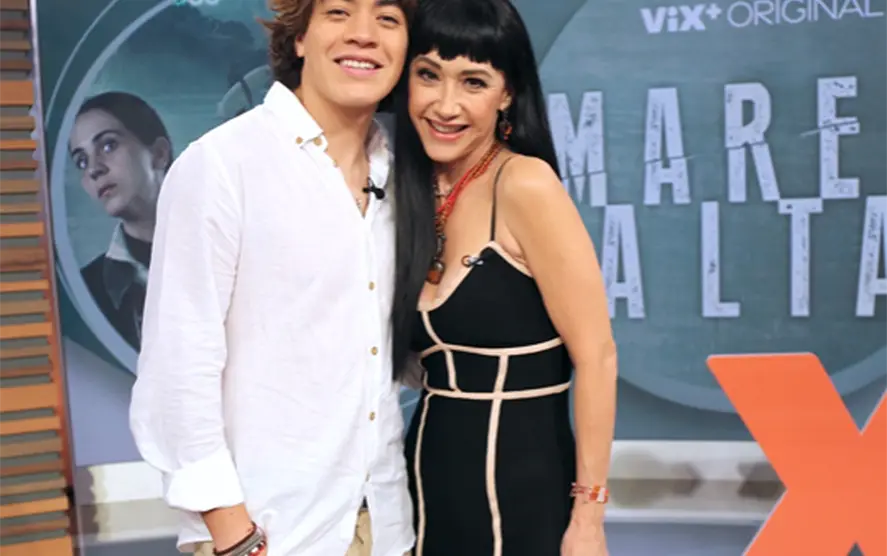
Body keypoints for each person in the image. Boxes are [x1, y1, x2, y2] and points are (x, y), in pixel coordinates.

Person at [129, 0, 417, 554]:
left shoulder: (401, 175)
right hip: (268, 534)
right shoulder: (222, 165)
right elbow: (178, 367)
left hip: (384, 524)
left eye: (387, 19)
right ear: (299, 37)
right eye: (339, 12)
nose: (364, 34)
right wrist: (232, 534)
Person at [391, 0, 618, 554]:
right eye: (428, 75)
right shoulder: (407, 189)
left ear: (508, 93)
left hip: (524, 491)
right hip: (423, 486)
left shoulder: (525, 184)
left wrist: (588, 518)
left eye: (473, 82)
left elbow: (597, 357)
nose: (445, 105)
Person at [68, 92, 172, 350]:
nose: (94, 169)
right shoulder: (87, 292)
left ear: (159, 154)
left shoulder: (231, 249)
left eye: (108, 146)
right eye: (81, 161)